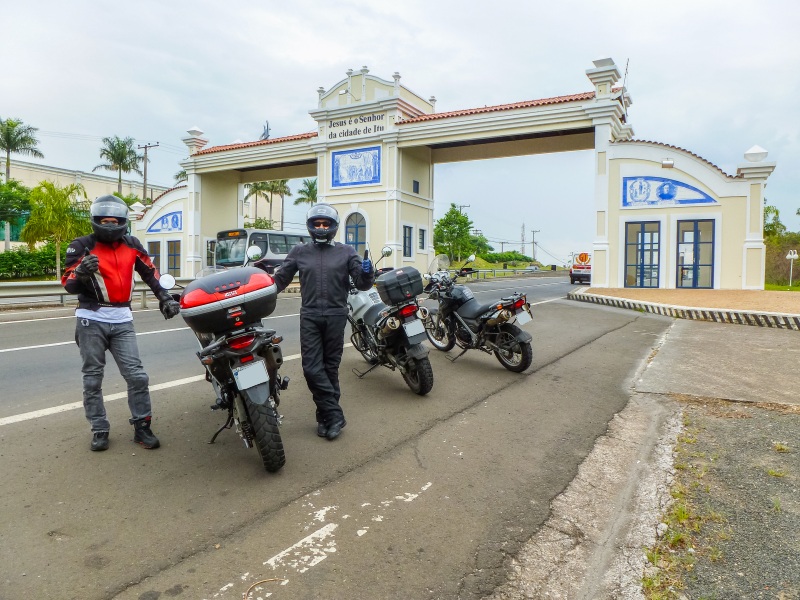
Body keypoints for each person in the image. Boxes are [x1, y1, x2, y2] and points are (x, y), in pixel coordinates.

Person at [62, 195, 180, 452]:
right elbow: (68, 284)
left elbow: (151, 273)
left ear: (124, 222)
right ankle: (99, 429)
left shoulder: (133, 245)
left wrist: (165, 298)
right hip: (90, 319)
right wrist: (81, 271)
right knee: (92, 378)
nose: (110, 223)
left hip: (123, 319)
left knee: (137, 376)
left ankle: (142, 427)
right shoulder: (81, 246)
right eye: (105, 220)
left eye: (115, 220)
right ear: (95, 221)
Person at [256, 203, 373, 440]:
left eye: (325, 224)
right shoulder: (299, 252)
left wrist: (368, 272)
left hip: (336, 316)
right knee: (311, 368)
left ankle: (326, 418)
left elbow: (362, 283)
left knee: (330, 368)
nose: (321, 227)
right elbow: (279, 281)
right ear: (311, 227)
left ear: (332, 227)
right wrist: (257, 290)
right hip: (309, 316)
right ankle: (335, 415)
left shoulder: (347, 251)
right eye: (317, 224)